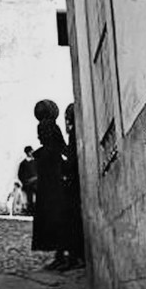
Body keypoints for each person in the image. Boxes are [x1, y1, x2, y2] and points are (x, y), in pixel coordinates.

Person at [31, 99, 68, 270]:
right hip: (52, 184)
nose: (39, 136)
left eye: (41, 133)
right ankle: (61, 253)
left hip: (52, 186)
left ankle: (61, 254)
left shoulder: (48, 152)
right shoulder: (51, 148)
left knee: (55, 218)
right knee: (56, 218)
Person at [63, 103, 85, 269]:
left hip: (73, 184)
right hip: (76, 183)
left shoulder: (73, 134)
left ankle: (75, 257)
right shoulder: (79, 132)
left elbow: (71, 159)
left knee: (72, 222)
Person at [18, 146, 38, 215]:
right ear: (27, 153)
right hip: (28, 184)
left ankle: (37, 209)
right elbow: (20, 175)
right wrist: (26, 181)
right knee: (30, 197)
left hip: (36, 182)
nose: (32, 153)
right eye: (30, 152)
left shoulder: (36, 162)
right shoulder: (23, 164)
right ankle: (30, 210)